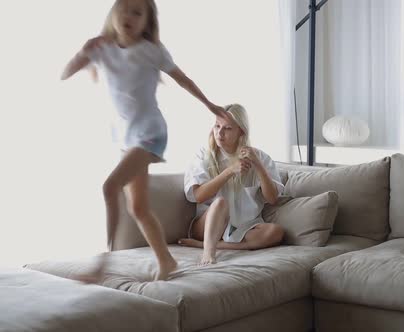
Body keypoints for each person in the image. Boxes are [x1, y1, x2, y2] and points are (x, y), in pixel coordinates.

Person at [60, 0, 227, 281]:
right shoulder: (102, 48)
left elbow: (183, 79)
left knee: (109, 186)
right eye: (124, 9)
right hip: (127, 138)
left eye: (137, 12)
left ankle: (104, 261)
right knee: (137, 207)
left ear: (147, 22)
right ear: (113, 13)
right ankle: (167, 261)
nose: (129, 16)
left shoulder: (152, 51)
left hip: (151, 133)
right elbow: (64, 73)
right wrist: (82, 52)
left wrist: (209, 105)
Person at [179, 104, 285, 266]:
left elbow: (272, 199)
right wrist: (229, 171)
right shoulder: (203, 155)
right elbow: (199, 196)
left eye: (227, 128)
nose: (219, 133)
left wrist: (258, 165)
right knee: (220, 202)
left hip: (244, 228)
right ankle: (208, 252)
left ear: (241, 131)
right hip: (207, 225)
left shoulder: (260, 157)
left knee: (275, 232)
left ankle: (214, 245)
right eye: (217, 126)